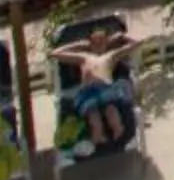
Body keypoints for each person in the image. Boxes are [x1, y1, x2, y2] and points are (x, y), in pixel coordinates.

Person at [55, 17, 138, 151]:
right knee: (94, 117)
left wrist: (121, 37)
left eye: (102, 40)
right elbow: (56, 53)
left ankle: (118, 132)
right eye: (95, 41)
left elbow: (135, 45)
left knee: (112, 112)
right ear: (90, 43)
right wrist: (79, 45)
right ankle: (98, 136)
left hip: (106, 88)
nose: (99, 43)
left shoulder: (111, 55)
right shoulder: (83, 57)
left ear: (107, 42)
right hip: (88, 92)